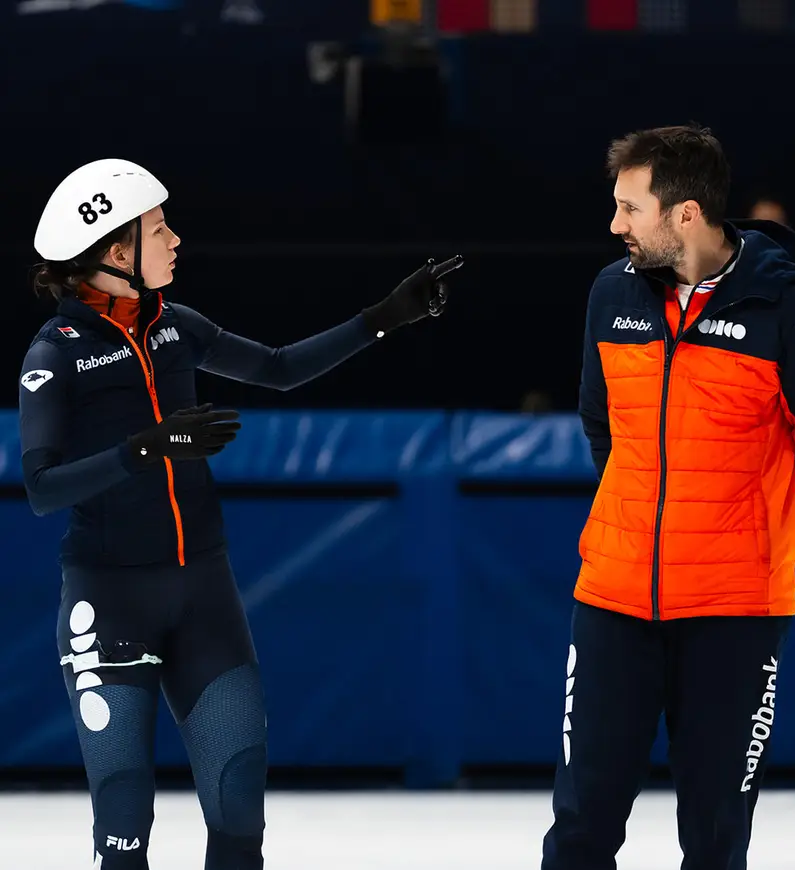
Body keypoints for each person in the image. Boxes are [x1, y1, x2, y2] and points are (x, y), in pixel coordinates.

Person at [18, 158, 462, 870]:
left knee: (237, 806)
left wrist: (385, 318)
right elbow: (40, 488)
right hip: (109, 598)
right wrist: (146, 449)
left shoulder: (176, 327)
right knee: (124, 819)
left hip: (204, 595)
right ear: (114, 251)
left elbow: (280, 368)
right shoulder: (55, 354)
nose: (176, 240)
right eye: (158, 229)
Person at [541, 125, 795, 870]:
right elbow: (603, 425)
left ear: (685, 214)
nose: (615, 225)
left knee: (714, 836)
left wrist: (766, 539)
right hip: (614, 603)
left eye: (631, 208)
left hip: (736, 614)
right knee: (581, 823)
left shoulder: (792, 309)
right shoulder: (610, 294)